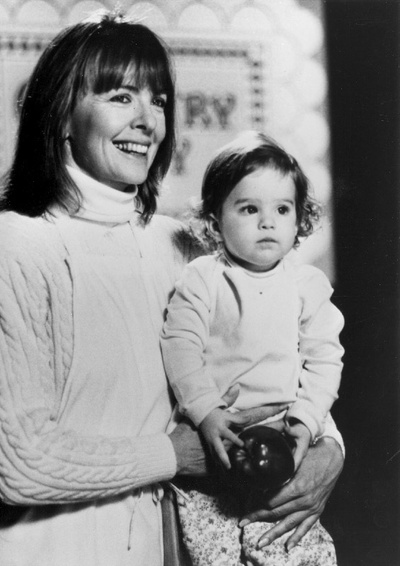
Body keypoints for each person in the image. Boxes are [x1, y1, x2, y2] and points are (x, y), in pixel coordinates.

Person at [0, 10, 344, 566]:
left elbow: (265, 360)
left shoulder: (183, 246)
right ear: (61, 113)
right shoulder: (17, 246)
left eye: (158, 101)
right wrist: (174, 455)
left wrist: (327, 448)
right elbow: (16, 463)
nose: (147, 121)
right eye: (120, 96)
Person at [161, 131, 344, 565]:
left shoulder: (306, 285)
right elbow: (180, 346)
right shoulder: (203, 278)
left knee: (289, 544)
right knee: (210, 548)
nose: (267, 222)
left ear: (299, 220)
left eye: (282, 209)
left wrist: (307, 421)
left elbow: (324, 361)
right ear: (214, 222)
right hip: (217, 440)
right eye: (249, 209)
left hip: (284, 439)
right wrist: (206, 412)